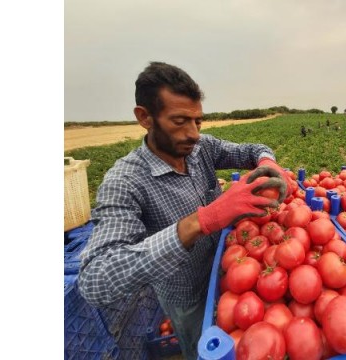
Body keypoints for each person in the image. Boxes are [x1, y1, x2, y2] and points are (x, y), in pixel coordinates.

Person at [77, 61, 294, 359]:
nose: (193, 133)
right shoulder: (124, 181)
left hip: (230, 268)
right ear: (145, 117)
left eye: (198, 122)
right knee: (200, 349)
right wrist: (202, 220)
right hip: (186, 295)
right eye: (180, 121)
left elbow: (252, 150)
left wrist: (267, 162)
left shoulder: (201, 148)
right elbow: (95, 280)